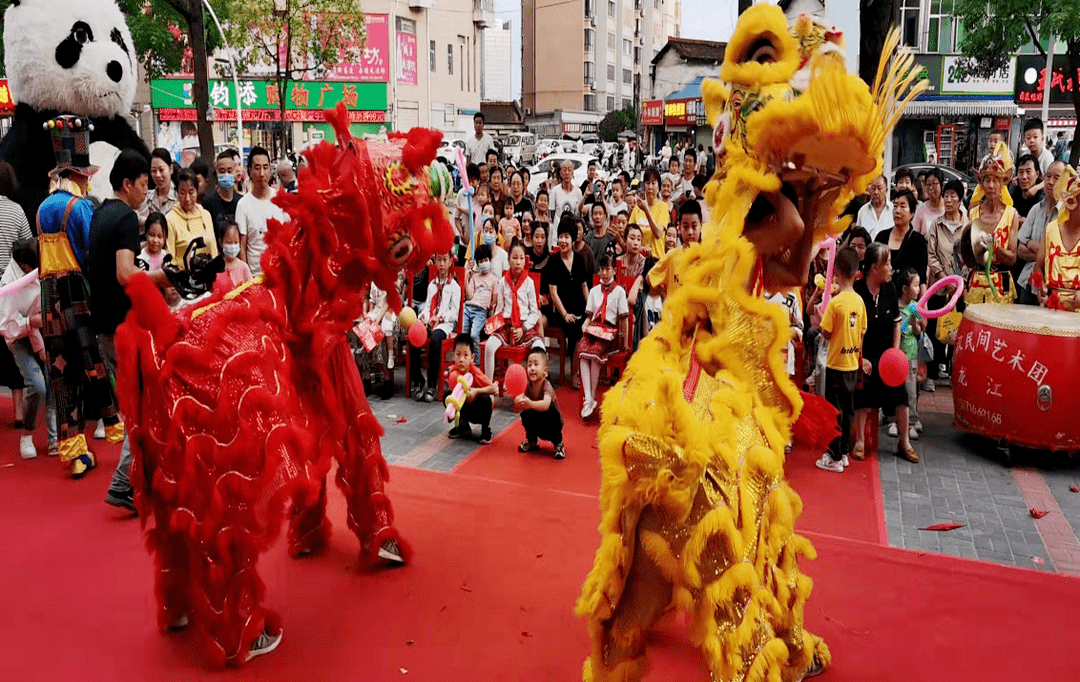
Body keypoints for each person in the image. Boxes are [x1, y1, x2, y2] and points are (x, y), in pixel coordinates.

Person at [37, 116, 124, 477]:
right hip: (76, 294)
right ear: (82, 175)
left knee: (62, 372)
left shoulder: (43, 209)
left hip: (48, 297)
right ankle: (117, 426)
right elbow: (92, 253)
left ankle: (73, 450)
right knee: (93, 361)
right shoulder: (82, 208)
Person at [91, 151, 173, 509]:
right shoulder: (124, 217)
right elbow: (125, 273)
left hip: (103, 325)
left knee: (135, 403)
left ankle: (144, 478)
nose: (146, 190)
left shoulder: (98, 214)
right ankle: (124, 482)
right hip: (123, 328)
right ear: (127, 184)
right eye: (143, 184)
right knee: (141, 405)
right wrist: (165, 276)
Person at [853, 243, 916, 463]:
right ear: (873, 268)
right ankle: (859, 440)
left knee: (902, 394)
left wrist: (895, 354)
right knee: (863, 387)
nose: (891, 268)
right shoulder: (858, 291)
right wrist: (861, 357)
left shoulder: (889, 290)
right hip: (865, 354)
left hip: (887, 355)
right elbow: (853, 330)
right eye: (886, 264)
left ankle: (904, 442)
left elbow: (897, 324)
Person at [0, 238, 55, 459]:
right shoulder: (8, 284)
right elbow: (6, 327)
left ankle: (53, 438)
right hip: (20, 338)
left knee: (53, 382)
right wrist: (31, 323)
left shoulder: (39, 272)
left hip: (44, 332)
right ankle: (27, 434)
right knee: (38, 385)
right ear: (25, 266)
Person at [816, 247, 866, 472]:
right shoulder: (860, 302)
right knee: (848, 410)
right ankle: (844, 451)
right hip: (852, 364)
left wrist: (821, 318)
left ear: (835, 271)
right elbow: (862, 331)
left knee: (834, 411)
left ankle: (835, 455)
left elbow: (825, 333)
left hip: (836, 364)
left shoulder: (835, 303)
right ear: (857, 273)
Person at [963, 142, 1018, 305]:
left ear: (1003, 182)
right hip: (976, 282)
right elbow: (966, 255)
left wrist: (996, 249)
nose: (991, 185)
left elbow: (1013, 258)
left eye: (996, 180)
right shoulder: (973, 213)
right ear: (981, 183)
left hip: (1001, 284)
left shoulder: (1011, 214)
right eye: (987, 180)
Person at [576, 255, 629, 420]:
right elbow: (589, 316)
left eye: (608, 269)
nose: (604, 273)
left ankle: (591, 395)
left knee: (595, 352)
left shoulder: (619, 291)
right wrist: (585, 325)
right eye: (602, 269)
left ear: (614, 270)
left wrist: (624, 342)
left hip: (609, 331)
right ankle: (589, 400)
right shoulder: (593, 291)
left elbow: (624, 319)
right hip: (594, 328)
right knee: (582, 350)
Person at [483, 242, 545, 380]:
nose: (518, 262)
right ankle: (488, 387)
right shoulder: (502, 282)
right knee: (489, 347)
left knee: (540, 347)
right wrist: (494, 325)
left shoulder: (529, 283)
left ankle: (537, 386)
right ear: (508, 259)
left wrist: (523, 328)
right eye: (515, 258)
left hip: (524, 326)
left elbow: (534, 312)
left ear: (525, 260)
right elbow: (499, 309)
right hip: (506, 325)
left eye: (521, 258)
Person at [926, 179, 967, 378]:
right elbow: (931, 255)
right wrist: (944, 278)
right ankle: (933, 373)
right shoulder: (936, 225)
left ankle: (954, 370)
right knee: (935, 329)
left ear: (960, 200)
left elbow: (971, 256)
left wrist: (960, 281)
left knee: (958, 329)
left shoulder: (968, 226)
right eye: (947, 195)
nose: (949, 200)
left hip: (961, 288)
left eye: (953, 196)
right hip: (939, 287)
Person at [0, 161, 31, 426]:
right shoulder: (17, 210)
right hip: (9, 287)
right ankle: (20, 411)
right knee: (13, 347)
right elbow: (28, 246)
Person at [410, 250, 460, 402]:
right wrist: (423, 318)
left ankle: (432, 383)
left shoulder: (454, 287)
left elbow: (455, 313)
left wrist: (441, 318)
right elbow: (426, 307)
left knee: (436, 340)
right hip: (431, 321)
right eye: (439, 260)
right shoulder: (432, 285)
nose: (442, 264)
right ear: (435, 261)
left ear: (450, 261)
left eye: (445, 260)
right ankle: (418, 380)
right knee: (414, 336)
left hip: (444, 325)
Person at [1017, 161, 1065, 304]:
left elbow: (1063, 256)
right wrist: (1045, 253)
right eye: (1048, 176)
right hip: (1028, 281)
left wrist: (1030, 244)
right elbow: (1020, 250)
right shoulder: (1035, 209)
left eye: (1057, 177)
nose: (1050, 182)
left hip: (1056, 287)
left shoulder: (1068, 214)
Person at [237, 146, 288, 277]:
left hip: (279, 274)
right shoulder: (243, 205)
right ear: (249, 171)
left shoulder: (281, 199)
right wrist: (247, 279)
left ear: (270, 170)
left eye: (265, 167)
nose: (262, 173)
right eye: (257, 168)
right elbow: (242, 246)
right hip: (255, 277)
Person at [1037, 165, 1080, 311]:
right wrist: (1040, 286)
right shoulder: (1050, 229)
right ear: (1071, 202)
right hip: (1052, 308)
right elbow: (1038, 267)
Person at [515, 347, 565, 459]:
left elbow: (546, 404)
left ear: (545, 371)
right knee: (525, 413)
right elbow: (519, 398)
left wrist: (530, 403)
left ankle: (558, 444)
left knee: (551, 412)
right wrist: (517, 397)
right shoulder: (527, 384)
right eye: (529, 365)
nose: (532, 368)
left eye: (536, 365)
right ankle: (532, 441)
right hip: (538, 420)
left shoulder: (547, 386)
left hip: (551, 422)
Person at [447, 332, 498, 443]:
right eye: (458, 354)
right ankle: (463, 426)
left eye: (466, 355)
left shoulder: (475, 372)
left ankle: (485, 430)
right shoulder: (453, 373)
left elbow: (493, 388)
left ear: (472, 357)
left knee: (485, 399)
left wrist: (477, 391)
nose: (461, 359)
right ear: (453, 356)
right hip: (465, 408)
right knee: (447, 395)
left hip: (478, 410)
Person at [875, 189, 927, 289]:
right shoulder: (881, 237)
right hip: (882, 296)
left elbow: (922, 280)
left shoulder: (919, 241)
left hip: (908, 301)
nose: (897, 211)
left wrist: (922, 304)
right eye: (895, 206)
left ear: (912, 213)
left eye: (903, 206)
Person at [166, 169, 219, 264]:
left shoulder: (206, 215)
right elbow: (170, 257)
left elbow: (213, 249)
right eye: (182, 193)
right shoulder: (170, 219)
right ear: (177, 193)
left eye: (191, 192)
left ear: (197, 191)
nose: (187, 198)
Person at [896, 267, 925, 441]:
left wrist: (914, 323)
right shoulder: (895, 304)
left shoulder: (915, 307)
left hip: (911, 355)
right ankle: (894, 420)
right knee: (896, 389)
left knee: (911, 391)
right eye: (915, 285)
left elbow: (919, 331)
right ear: (905, 288)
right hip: (897, 355)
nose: (918, 289)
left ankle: (912, 421)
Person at [461, 243, 500, 358]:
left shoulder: (494, 279)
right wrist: (465, 277)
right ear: (477, 263)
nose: (483, 263)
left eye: (485, 260)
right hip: (468, 307)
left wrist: (490, 309)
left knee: (474, 335)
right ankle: (464, 358)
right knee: (463, 334)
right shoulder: (474, 277)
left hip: (480, 311)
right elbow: (469, 296)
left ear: (490, 260)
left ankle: (477, 362)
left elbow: (494, 301)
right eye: (481, 261)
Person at [202, 150, 243, 246]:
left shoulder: (241, 202)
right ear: (216, 172)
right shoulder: (208, 203)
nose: (226, 174)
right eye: (222, 171)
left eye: (229, 171)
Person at [629, 167, 668, 257]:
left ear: (658, 187)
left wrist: (646, 210)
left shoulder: (663, 207)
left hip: (656, 259)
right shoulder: (637, 208)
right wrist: (641, 247)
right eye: (647, 183)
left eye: (653, 183)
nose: (650, 187)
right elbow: (629, 232)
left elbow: (658, 233)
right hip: (639, 260)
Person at [138, 147, 177, 226]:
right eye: (154, 171)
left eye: (161, 170)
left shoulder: (179, 196)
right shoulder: (146, 197)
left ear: (170, 169)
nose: (158, 175)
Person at [214, 222, 254, 293]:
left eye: (236, 242)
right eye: (229, 242)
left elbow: (252, 290)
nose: (233, 246)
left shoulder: (244, 267)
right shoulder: (216, 266)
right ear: (221, 242)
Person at [548, 160, 582, 242]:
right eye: (564, 170)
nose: (567, 173)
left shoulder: (578, 191)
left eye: (569, 170)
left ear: (573, 173)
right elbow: (551, 214)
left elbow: (579, 214)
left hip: (571, 235)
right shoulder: (555, 191)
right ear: (560, 173)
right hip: (557, 235)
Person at [1010, 154, 1045, 224]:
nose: (1024, 177)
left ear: (1037, 174)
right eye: (1021, 172)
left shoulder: (1042, 198)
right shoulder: (1014, 192)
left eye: (1028, 171)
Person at [911, 167, 945, 237]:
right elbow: (915, 235)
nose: (931, 188)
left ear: (941, 185)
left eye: (934, 184)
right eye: (928, 184)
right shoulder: (921, 210)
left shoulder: (948, 206)